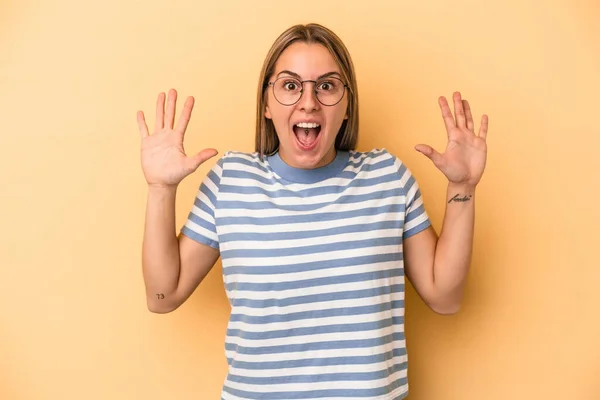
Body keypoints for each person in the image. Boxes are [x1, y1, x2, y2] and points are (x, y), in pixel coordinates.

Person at [137, 23, 488, 400]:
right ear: (267, 105)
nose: (308, 102)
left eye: (326, 85)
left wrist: (462, 188)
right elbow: (163, 295)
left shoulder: (387, 176)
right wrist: (161, 189)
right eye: (290, 85)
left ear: (347, 104)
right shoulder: (230, 181)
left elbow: (444, 297)